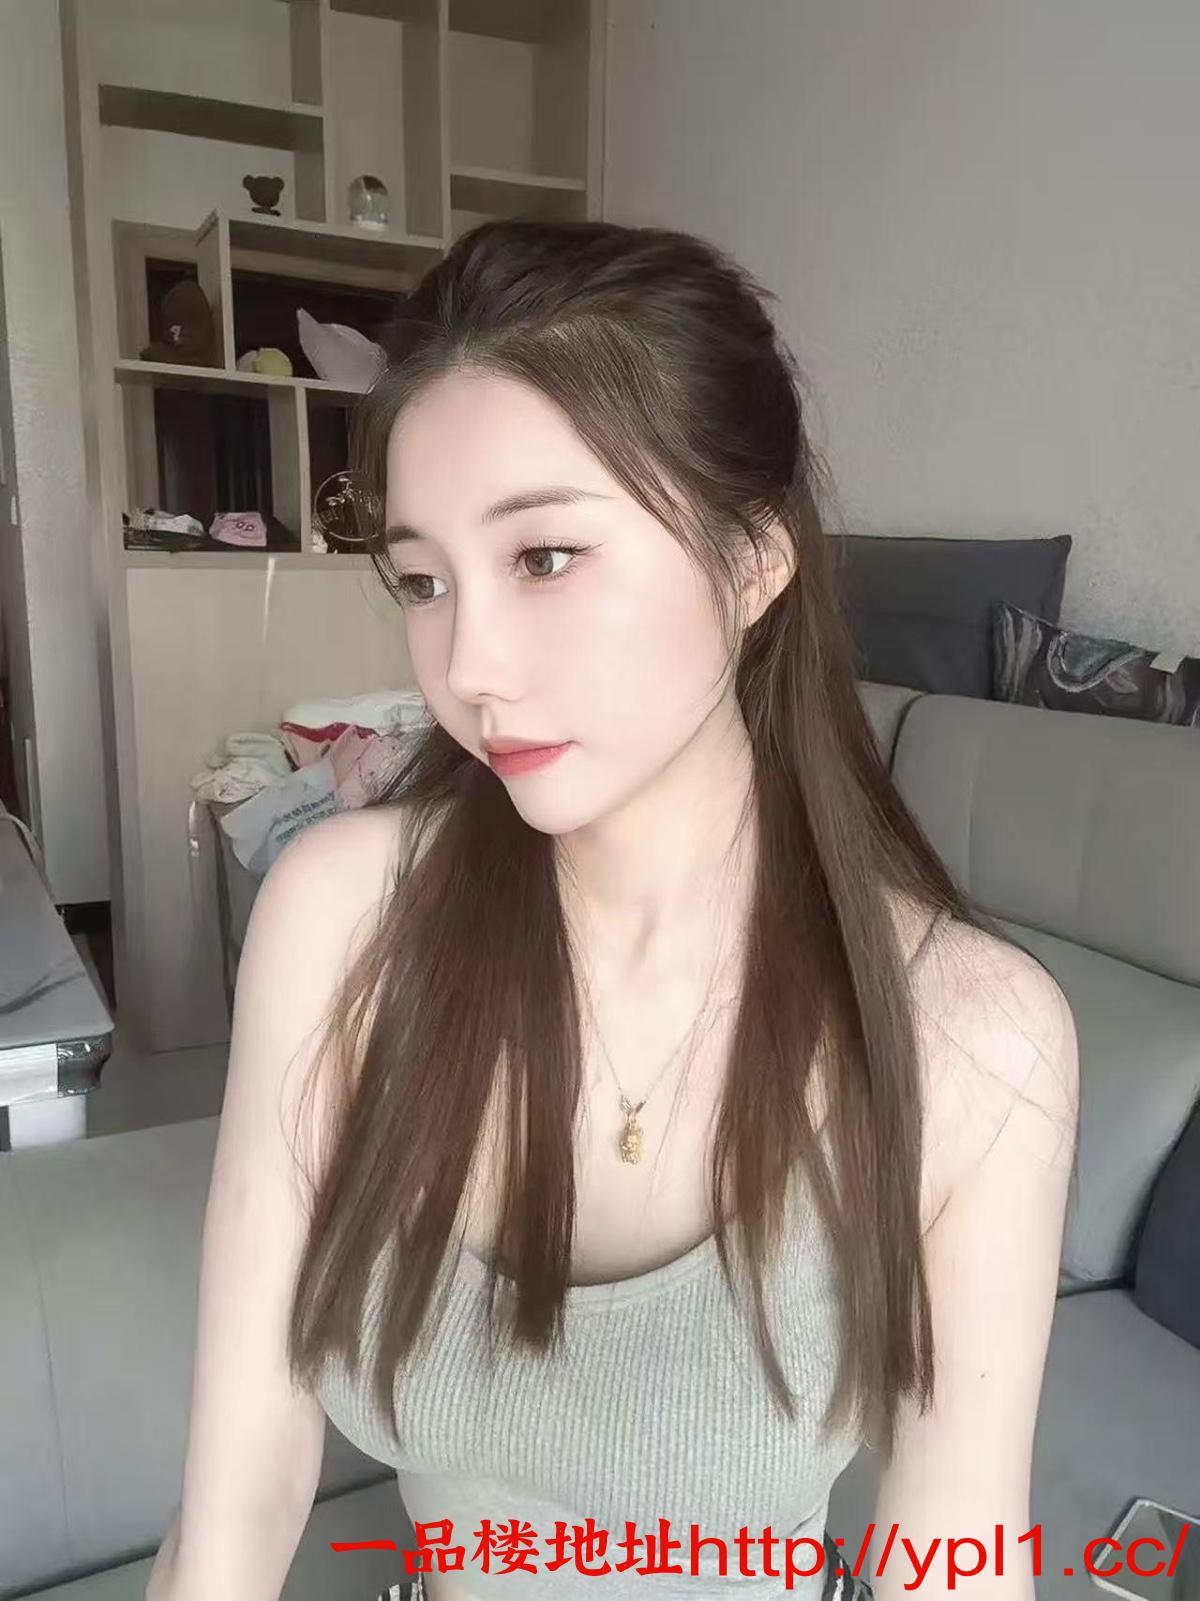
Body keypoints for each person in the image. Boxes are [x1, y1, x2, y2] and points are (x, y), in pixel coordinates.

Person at [145, 219, 1079, 1601]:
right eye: (424, 579)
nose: (469, 666)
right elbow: (237, 1503)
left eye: (543, 557)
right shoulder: (341, 922)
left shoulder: (976, 1036)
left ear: (754, 563)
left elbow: (955, 1561)